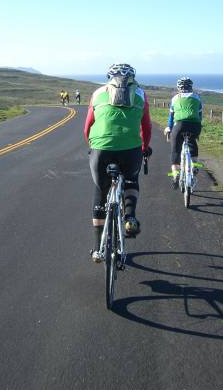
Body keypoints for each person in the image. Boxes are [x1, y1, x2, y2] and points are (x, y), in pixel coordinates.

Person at [84, 63, 152, 262]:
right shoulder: (141, 94)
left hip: (101, 149)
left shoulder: (97, 94)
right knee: (131, 179)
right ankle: (130, 217)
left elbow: (88, 126)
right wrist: (144, 147)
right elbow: (146, 127)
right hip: (130, 149)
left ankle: (98, 249)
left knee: (101, 190)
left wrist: (93, 145)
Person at [164, 77, 202, 189]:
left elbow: (171, 117)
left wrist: (169, 128)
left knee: (175, 149)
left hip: (179, 125)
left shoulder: (175, 98)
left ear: (178, 87)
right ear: (191, 87)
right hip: (195, 125)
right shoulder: (197, 97)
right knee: (192, 141)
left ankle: (176, 174)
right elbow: (200, 116)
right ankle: (194, 165)